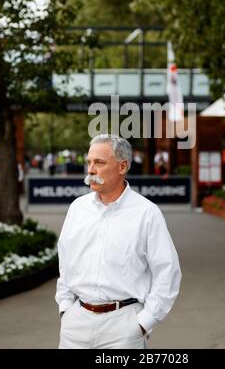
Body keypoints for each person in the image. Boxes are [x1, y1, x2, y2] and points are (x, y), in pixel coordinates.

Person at [55, 134, 182, 349]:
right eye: (89, 162)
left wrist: (144, 322)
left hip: (124, 326)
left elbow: (167, 272)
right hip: (76, 324)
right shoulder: (78, 208)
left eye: (99, 163)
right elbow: (65, 261)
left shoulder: (146, 213)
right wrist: (66, 308)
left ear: (122, 166)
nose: (91, 170)